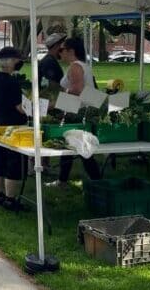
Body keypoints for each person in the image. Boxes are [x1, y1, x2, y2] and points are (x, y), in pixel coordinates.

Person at [47, 37, 102, 188]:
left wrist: (59, 97)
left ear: (71, 51)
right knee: (71, 147)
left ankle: (97, 182)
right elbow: (88, 92)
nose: (59, 53)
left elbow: (78, 91)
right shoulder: (82, 65)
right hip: (80, 109)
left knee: (82, 150)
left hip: (79, 112)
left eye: (61, 49)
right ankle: (63, 181)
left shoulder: (75, 67)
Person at [0, 47, 29, 210]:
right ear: (11, 61)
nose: (19, 63)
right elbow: (19, 106)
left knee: (0, 160)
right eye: (17, 60)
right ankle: (10, 198)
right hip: (12, 126)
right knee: (14, 161)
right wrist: (35, 110)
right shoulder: (11, 82)